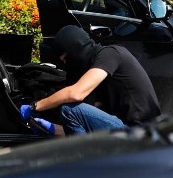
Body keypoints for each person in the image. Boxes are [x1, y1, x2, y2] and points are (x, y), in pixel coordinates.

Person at [20, 25, 161, 136]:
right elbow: (85, 128)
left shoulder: (110, 54)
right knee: (75, 111)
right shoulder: (101, 72)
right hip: (133, 131)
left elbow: (75, 93)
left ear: (75, 47)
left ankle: (86, 167)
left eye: (65, 56)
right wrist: (52, 129)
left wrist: (35, 106)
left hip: (141, 134)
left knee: (70, 109)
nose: (64, 61)